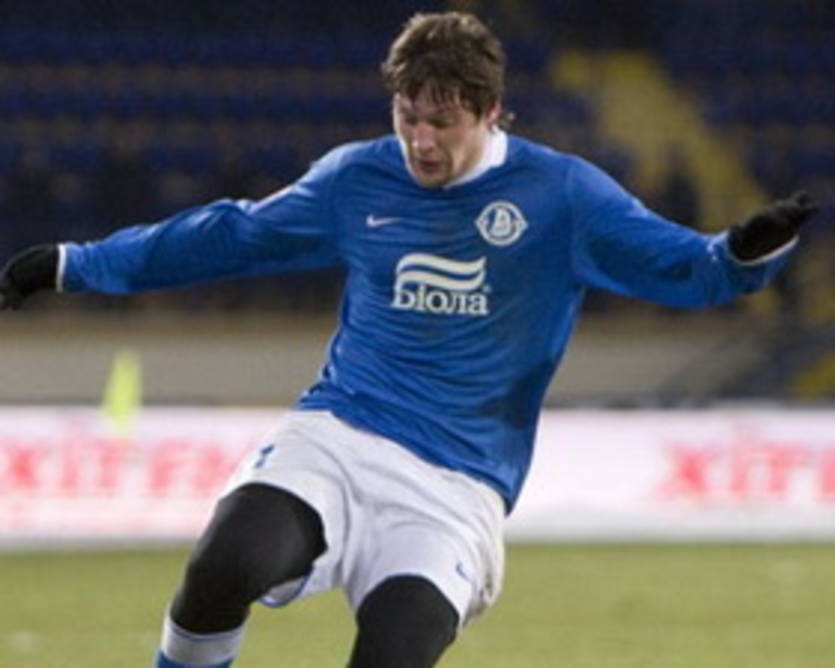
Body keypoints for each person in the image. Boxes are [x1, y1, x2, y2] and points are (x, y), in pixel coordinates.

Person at [0, 12, 819, 668]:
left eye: (442, 122)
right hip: (340, 433)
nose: (421, 142)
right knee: (225, 563)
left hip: (456, 484)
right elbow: (228, 236)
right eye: (407, 117)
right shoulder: (358, 178)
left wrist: (741, 255)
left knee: (393, 651)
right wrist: (75, 264)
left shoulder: (559, 195)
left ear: (491, 112)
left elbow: (685, 269)